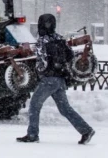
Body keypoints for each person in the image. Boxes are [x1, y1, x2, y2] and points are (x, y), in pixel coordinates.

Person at [17, 14, 95, 144]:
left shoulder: (42, 41)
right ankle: (86, 130)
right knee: (65, 109)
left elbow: (42, 63)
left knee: (34, 105)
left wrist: (39, 72)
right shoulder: (60, 38)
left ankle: (32, 134)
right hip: (60, 79)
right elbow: (70, 55)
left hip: (48, 79)